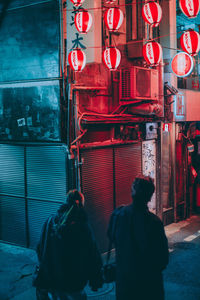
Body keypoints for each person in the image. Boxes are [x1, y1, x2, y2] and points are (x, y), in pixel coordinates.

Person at [34, 189, 103, 300]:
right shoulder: (82, 227)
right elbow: (92, 254)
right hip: (74, 282)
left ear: (66, 201)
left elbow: (39, 248)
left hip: (52, 279)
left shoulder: (50, 221)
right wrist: (95, 279)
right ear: (81, 204)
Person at [107, 176, 169, 300]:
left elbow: (111, 236)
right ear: (150, 196)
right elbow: (162, 260)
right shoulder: (154, 223)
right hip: (148, 287)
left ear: (132, 192)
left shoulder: (117, 215)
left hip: (124, 286)